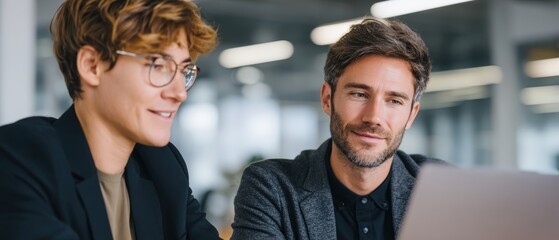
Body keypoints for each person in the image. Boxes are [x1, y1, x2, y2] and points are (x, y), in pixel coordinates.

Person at [0, 0, 220, 239]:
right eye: (158, 66)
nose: (180, 93)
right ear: (92, 66)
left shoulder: (164, 166)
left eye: (184, 71)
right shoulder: (19, 157)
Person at [231, 17, 445, 240]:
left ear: (412, 114)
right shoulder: (272, 188)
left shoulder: (440, 188)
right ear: (327, 99)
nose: (373, 117)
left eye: (394, 101)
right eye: (359, 94)